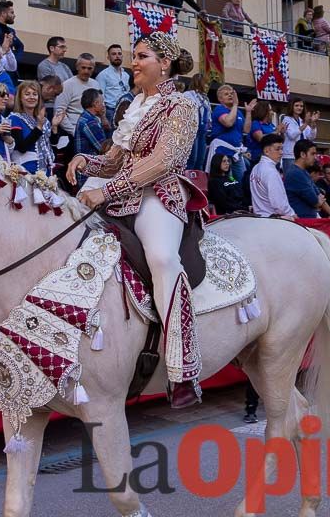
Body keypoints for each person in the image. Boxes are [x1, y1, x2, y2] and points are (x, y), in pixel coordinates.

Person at [66, 32, 205, 408]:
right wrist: (85, 161)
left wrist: (105, 191)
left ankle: (182, 369)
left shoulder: (182, 106)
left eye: (141, 56)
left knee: (162, 258)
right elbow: (114, 161)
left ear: (165, 63)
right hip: (122, 196)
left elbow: (162, 163)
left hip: (158, 196)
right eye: (133, 56)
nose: (133, 63)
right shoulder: (136, 105)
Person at [207, 85, 255, 180]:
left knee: (241, 180)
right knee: (226, 180)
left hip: (236, 152)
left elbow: (246, 130)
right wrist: (235, 105)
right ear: (220, 99)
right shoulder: (219, 109)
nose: (230, 95)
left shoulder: (238, 112)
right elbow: (228, 123)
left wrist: (248, 112)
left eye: (231, 94)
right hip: (222, 151)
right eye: (226, 94)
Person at [53, 53, 101, 147]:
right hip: (74, 133)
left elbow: (99, 107)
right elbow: (59, 110)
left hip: (94, 130)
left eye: (89, 68)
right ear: (77, 67)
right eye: (83, 67)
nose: (86, 71)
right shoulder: (67, 85)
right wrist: (73, 131)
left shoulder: (96, 84)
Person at [6, 80, 53, 175]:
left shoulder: (42, 119)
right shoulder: (15, 118)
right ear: (20, 98)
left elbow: (50, 145)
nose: (31, 97)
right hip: (25, 170)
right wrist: (38, 127)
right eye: (27, 94)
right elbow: (22, 147)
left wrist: (54, 127)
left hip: (45, 170)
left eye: (35, 94)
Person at [286, 139, 330, 222]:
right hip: (301, 223)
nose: (315, 157)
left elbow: (319, 196)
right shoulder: (295, 174)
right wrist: (318, 202)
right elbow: (315, 201)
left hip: (308, 220)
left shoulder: (304, 172)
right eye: (312, 154)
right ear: (303, 154)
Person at [250, 133, 295, 218]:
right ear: (266, 151)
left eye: (282, 149)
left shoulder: (255, 168)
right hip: (272, 220)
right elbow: (278, 203)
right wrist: (291, 214)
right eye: (277, 149)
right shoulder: (271, 172)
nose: (281, 152)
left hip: (259, 217)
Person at [279, 98, 318, 174]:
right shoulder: (286, 119)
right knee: (290, 180)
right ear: (291, 107)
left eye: (301, 106)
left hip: (301, 156)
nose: (299, 108)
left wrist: (313, 125)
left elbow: (311, 137)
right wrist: (306, 124)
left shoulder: (301, 120)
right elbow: (292, 135)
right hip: (290, 156)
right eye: (296, 105)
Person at [183, 73, 212, 172]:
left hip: (202, 133)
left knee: (200, 160)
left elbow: (208, 116)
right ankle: (187, 182)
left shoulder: (206, 99)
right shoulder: (188, 95)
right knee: (192, 159)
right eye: (206, 83)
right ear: (198, 83)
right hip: (192, 132)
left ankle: (197, 184)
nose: (207, 86)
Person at [96, 44, 131, 117]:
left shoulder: (126, 75)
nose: (117, 56)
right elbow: (100, 98)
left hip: (126, 111)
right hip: (110, 111)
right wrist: (103, 117)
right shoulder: (103, 75)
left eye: (119, 54)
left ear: (122, 56)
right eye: (114, 54)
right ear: (108, 57)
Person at [0, 0, 23, 71]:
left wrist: (15, 60)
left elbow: (20, 46)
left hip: (10, 71)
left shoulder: (11, 31)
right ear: (3, 13)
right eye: (12, 13)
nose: (14, 15)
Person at [73, 89, 108, 158]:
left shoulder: (87, 117)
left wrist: (103, 117)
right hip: (88, 164)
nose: (104, 105)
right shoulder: (89, 122)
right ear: (95, 104)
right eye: (102, 102)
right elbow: (104, 149)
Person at [244, 101, 275, 166]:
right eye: (270, 110)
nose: (272, 113)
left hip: (271, 157)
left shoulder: (271, 125)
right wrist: (276, 132)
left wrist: (282, 133)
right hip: (258, 158)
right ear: (264, 111)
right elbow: (260, 138)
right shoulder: (255, 123)